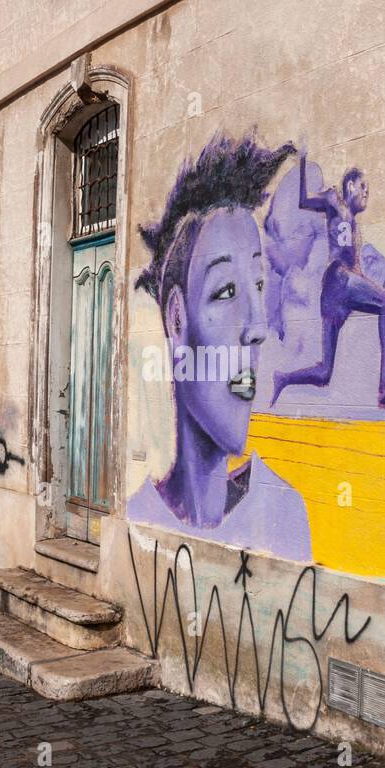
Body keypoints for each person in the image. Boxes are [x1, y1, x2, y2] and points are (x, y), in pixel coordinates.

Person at [130, 130, 311, 561]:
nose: (258, 326)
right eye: (227, 291)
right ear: (177, 320)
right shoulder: (137, 514)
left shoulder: (286, 514)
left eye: (260, 285)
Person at [270, 149, 385, 408]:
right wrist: (301, 158)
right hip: (337, 280)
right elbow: (304, 200)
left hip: (338, 295)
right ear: (350, 185)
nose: (366, 194)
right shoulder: (335, 200)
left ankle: (283, 378)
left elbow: (357, 275)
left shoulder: (355, 229)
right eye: (363, 188)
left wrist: (380, 287)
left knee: (325, 372)